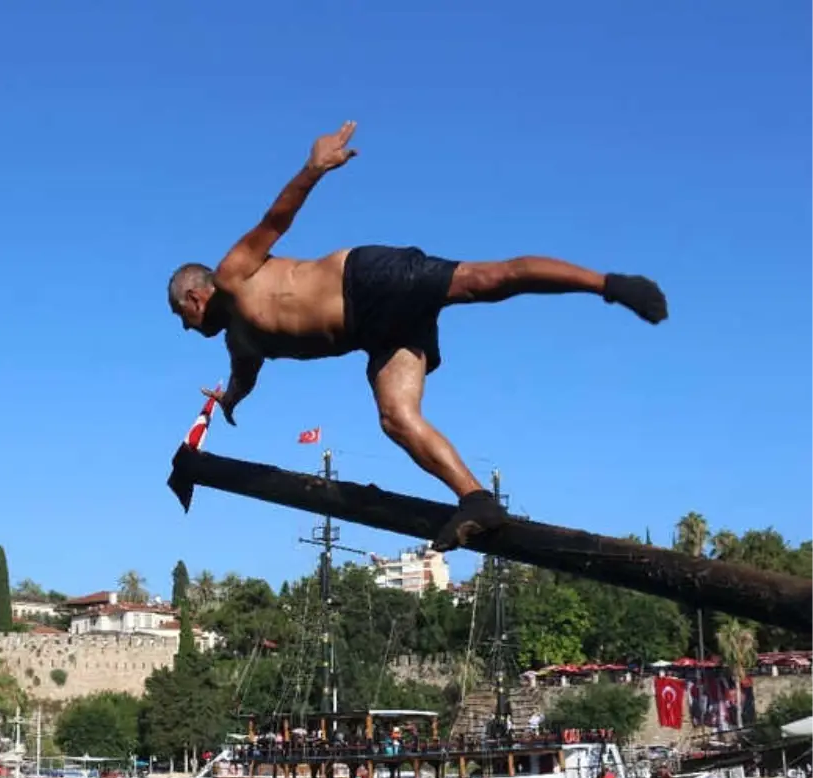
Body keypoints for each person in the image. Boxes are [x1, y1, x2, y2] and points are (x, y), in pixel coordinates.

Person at [167, 121, 668, 551]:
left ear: (194, 297)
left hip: (366, 279)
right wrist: (228, 400)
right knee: (397, 418)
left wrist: (313, 168)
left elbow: (276, 219)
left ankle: (608, 284)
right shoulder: (242, 344)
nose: (188, 328)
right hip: (375, 333)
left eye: (182, 316)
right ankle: (477, 500)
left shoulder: (233, 274)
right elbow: (243, 380)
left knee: (484, 281)